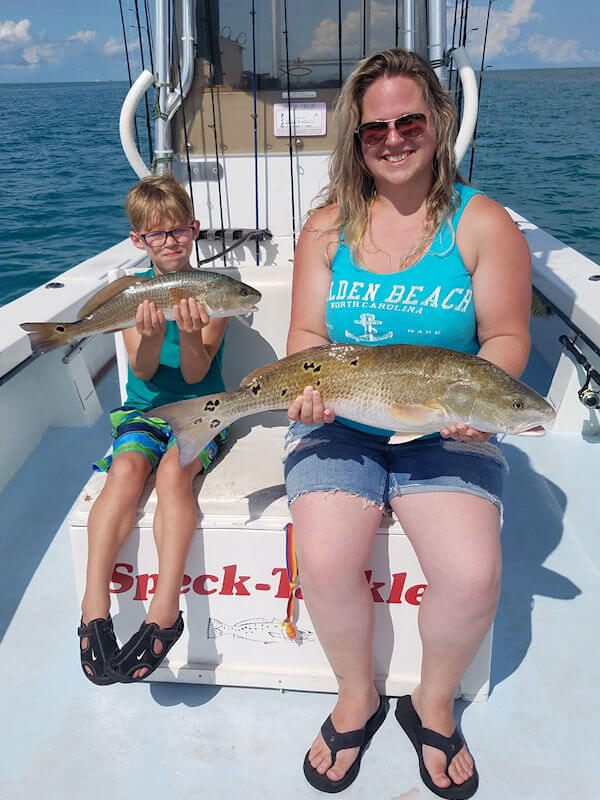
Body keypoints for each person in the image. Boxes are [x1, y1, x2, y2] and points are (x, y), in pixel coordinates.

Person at [284, 48, 531, 797]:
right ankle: (356, 693)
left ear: (438, 122)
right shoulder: (327, 228)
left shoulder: (483, 224)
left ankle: (432, 702)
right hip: (341, 421)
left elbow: (508, 337)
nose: (393, 138)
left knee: (472, 577)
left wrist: (476, 406)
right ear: (355, 141)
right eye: (374, 130)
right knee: (324, 564)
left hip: (443, 424)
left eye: (409, 121)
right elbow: (303, 340)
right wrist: (306, 393)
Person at [78, 174, 229, 685]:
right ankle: (93, 602)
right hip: (143, 411)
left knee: (172, 474)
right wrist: (147, 334)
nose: (170, 242)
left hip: (204, 409)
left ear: (196, 229)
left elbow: (194, 375)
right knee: (124, 469)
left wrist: (187, 332)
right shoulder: (134, 295)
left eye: (179, 231)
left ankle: (166, 609)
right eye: (156, 235)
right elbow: (141, 373)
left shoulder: (213, 290)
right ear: (138, 241)